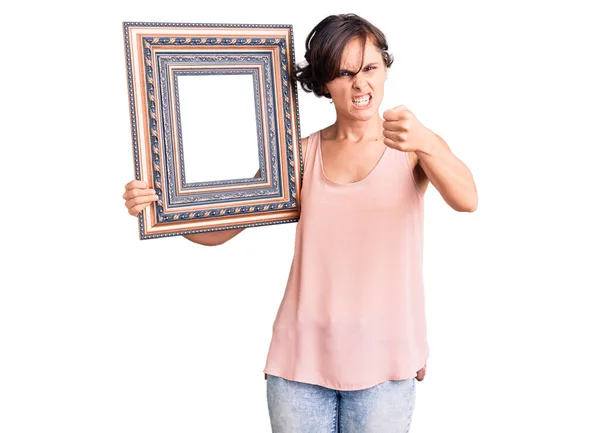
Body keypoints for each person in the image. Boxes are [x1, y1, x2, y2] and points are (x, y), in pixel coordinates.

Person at [123, 13, 478, 433]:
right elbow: (221, 229)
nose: (360, 84)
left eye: (370, 68)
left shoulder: (413, 146)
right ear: (324, 83)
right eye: (344, 74)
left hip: (388, 361)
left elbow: (467, 199)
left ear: (385, 68)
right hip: (300, 366)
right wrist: (163, 207)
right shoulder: (298, 156)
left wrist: (427, 142)